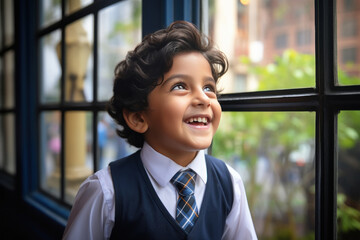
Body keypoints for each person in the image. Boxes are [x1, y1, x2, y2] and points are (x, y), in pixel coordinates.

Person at [63, 20, 257, 240]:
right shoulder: (106, 192)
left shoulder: (230, 183)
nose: (203, 98)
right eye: (180, 86)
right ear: (138, 117)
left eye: (208, 87)